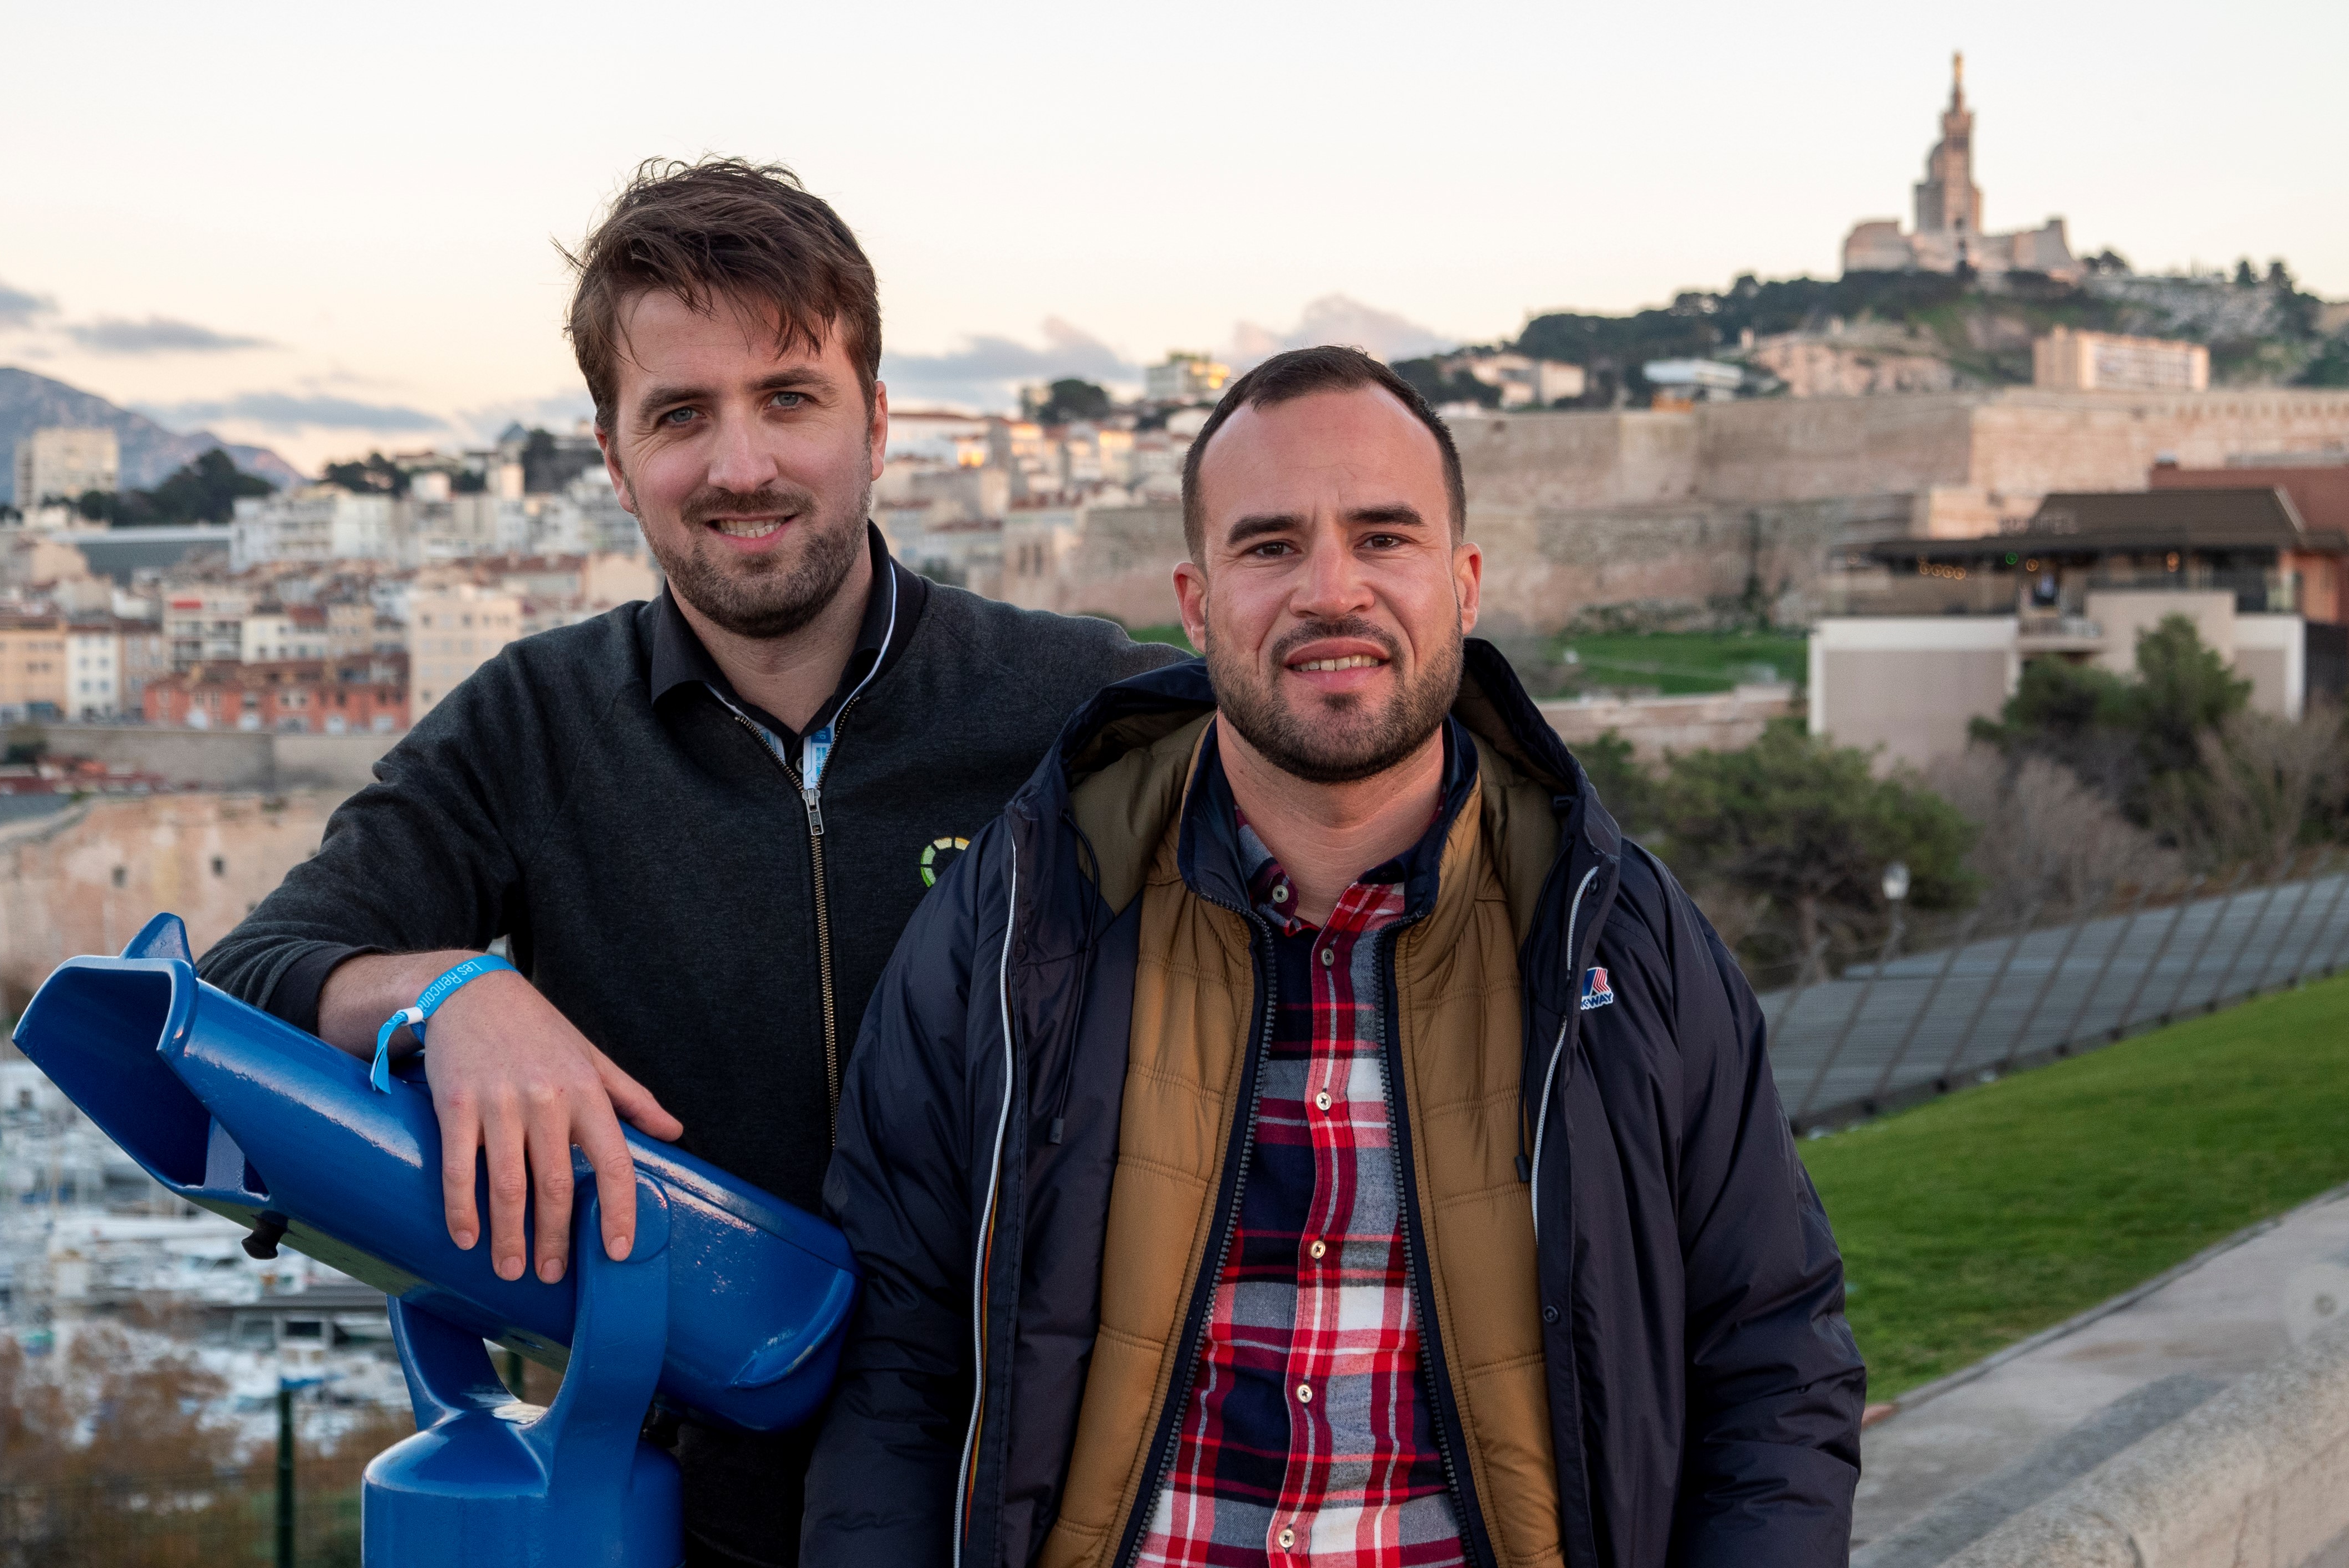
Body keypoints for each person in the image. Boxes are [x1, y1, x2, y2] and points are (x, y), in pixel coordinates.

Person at [197, 157, 1180, 1568]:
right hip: (674, 1513)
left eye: (790, 398)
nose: (740, 466)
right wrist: (446, 996)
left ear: (878, 421)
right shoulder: (528, 725)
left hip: (1048, 1500)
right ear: (612, 458)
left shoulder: (1079, 705)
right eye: (680, 416)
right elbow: (249, 981)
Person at [805, 346, 1865, 1567]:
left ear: (1463, 583)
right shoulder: (1019, 921)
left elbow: (1776, 1361)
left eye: (1383, 538)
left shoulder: (1620, 937)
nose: (1331, 590)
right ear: (1196, 606)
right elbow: (895, 1369)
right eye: (1269, 547)